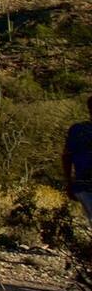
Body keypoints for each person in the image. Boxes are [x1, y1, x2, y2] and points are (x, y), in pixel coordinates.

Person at [62, 96, 92, 224]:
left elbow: (67, 156)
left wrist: (69, 181)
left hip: (82, 186)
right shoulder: (77, 130)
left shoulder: (77, 130)